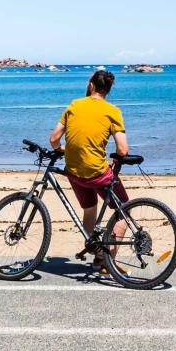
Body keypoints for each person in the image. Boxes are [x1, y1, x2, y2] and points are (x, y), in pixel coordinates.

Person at [48, 69, 128, 264]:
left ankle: (97, 252)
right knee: (124, 210)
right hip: (97, 173)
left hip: (74, 172)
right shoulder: (112, 111)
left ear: (91, 85)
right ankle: (108, 261)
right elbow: (123, 149)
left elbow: (54, 139)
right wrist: (117, 159)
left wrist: (61, 150)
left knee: (90, 210)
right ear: (108, 90)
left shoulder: (74, 105)